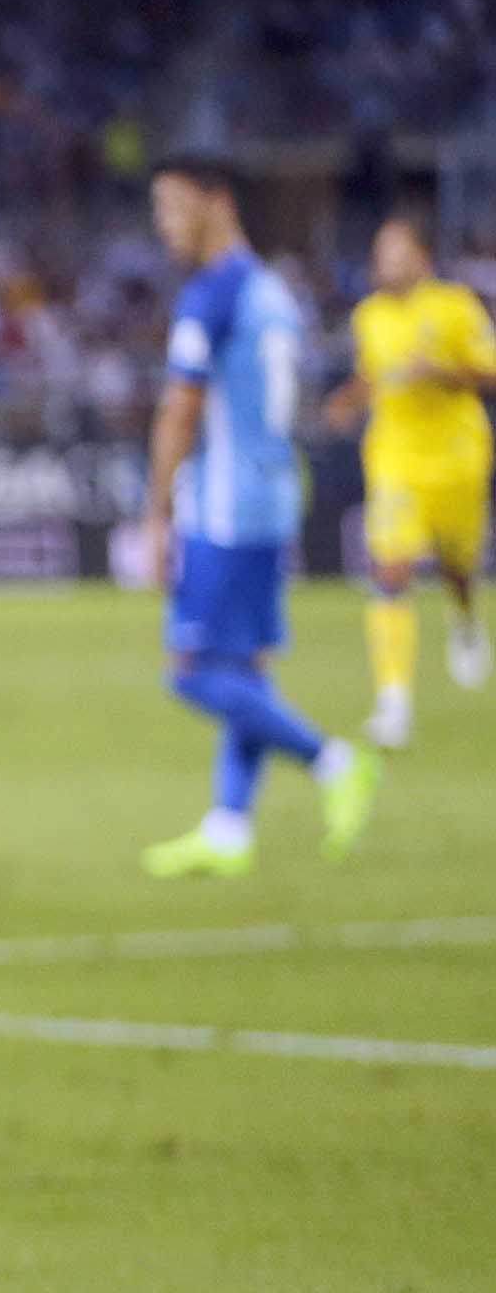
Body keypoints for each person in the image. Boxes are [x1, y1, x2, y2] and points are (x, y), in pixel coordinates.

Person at [140, 156, 382, 878]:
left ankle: (334, 762)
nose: (163, 226)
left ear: (216, 202)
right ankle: (228, 827)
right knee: (243, 669)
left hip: (227, 504)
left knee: (190, 672)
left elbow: (180, 408)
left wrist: (156, 514)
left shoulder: (211, 295)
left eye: (172, 207)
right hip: (274, 489)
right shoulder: (273, 290)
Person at [322, 214, 495, 749]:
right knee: (392, 568)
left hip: (457, 458)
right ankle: (393, 701)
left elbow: (489, 371)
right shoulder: (369, 316)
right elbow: (373, 376)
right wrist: (347, 401)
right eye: (381, 251)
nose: (386, 261)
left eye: (395, 250)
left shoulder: (455, 306)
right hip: (395, 458)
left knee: (457, 564)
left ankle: (465, 618)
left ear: (422, 256)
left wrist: (440, 372)